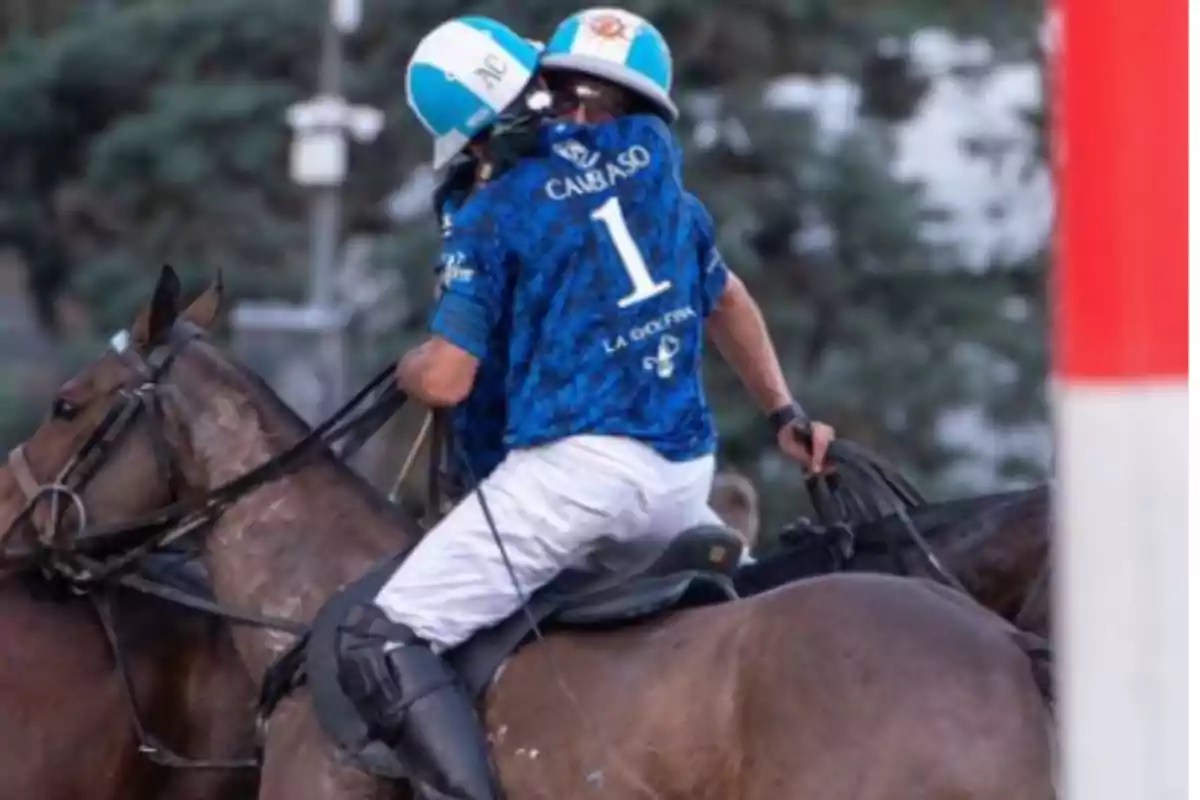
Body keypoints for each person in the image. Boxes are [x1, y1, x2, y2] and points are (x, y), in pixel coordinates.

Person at [342, 12, 835, 799]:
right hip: (682, 480)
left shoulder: (493, 209)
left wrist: (409, 366)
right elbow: (729, 299)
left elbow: (446, 383)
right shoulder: (657, 176)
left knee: (379, 636)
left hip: (572, 480)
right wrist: (782, 410)